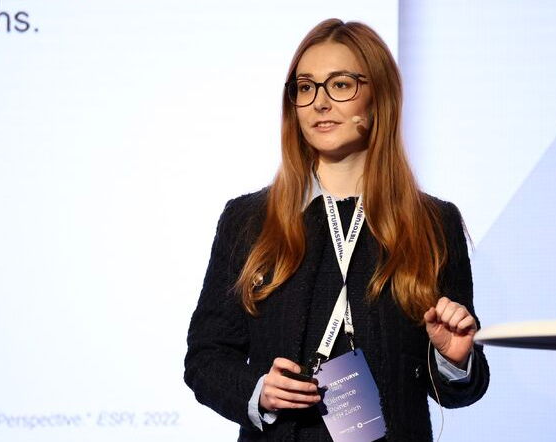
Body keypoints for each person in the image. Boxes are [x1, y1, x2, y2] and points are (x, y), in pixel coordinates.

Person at [184, 18, 489, 442]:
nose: (319, 102)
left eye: (340, 84)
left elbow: (461, 390)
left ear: (378, 97)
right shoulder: (248, 220)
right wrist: (259, 391)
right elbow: (205, 358)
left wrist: (453, 360)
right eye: (305, 87)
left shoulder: (434, 223)